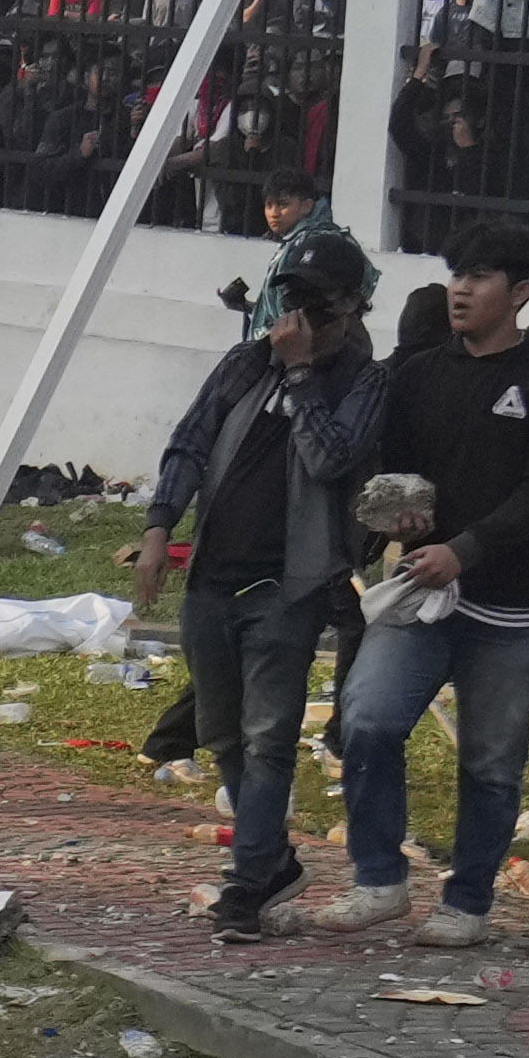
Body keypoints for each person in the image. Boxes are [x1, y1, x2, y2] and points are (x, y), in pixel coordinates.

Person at [326, 210, 529, 945]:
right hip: (421, 589)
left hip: (515, 605)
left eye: (477, 277)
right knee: (368, 720)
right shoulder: (419, 373)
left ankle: (466, 902)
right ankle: (377, 880)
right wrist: (401, 519)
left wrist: (465, 550)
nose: (460, 290)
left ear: (520, 292)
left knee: (490, 758)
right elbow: (396, 473)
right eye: (455, 275)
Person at [149, 223, 377, 936]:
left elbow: (331, 461)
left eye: (317, 305)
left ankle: (246, 885)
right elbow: (189, 440)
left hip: (290, 583)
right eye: (293, 301)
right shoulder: (246, 363)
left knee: (269, 735)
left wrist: (304, 373)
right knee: (221, 732)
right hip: (213, 573)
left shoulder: (362, 380)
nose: (299, 317)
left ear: (348, 309)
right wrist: (159, 527)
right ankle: (269, 857)